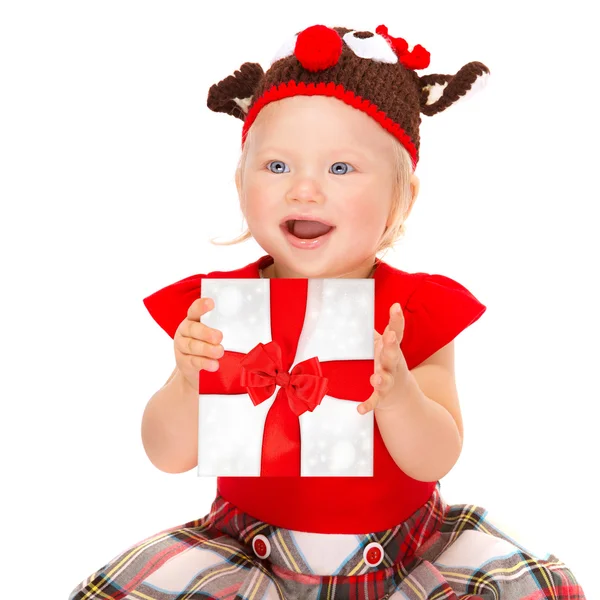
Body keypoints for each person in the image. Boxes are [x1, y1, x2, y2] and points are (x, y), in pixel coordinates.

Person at [69, 24, 586, 600]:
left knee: (536, 586)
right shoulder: (217, 306)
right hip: (251, 553)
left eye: (340, 169)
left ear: (402, 196)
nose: (304, 190)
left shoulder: (412, 310)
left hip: (404, 553)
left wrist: (398, 396)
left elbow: (436, 456)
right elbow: (166, 454)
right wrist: (189, 379)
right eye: (277, 167)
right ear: (240, 182)